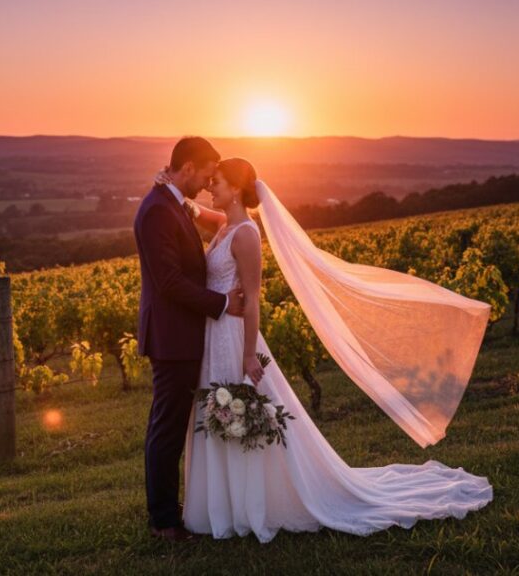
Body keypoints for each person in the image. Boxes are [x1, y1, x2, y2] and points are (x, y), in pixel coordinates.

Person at [155, 156, 494, 543]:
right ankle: (227, 505)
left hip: (232, 338)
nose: (209, 188)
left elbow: (254, 300)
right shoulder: (225, 226)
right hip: (213, 336)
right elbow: (201, 213)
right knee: (222, 417)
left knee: (241, 417)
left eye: (216, 182)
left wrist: (249, 355)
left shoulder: (246, 234)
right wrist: (174, 193)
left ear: (235, 188)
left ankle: (250, 505)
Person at [133, 136, 246, 541]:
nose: (207, 181)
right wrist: (221, 303)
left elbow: (214, 218)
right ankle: (164, 521)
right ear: (186, 168)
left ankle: (168, 511)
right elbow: (168, 282)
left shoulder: (170, 201)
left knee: (172, 423)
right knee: (167, 427)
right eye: (204, 173)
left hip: (180, 334)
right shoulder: (157, 212)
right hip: (172, 336)